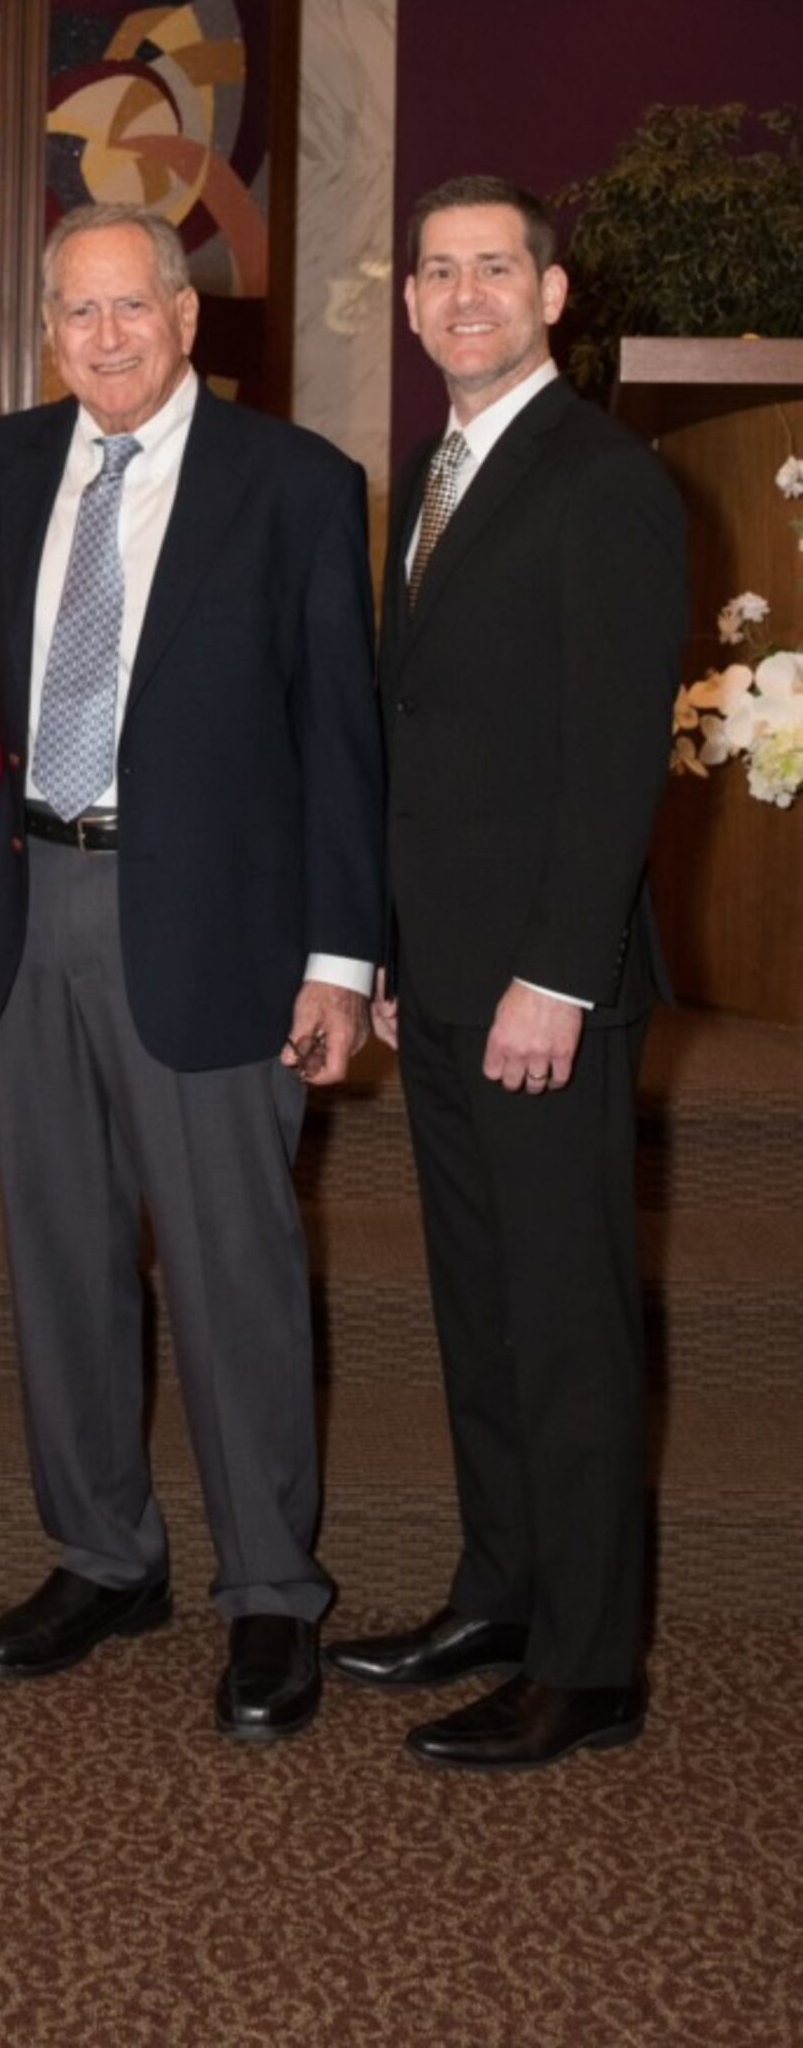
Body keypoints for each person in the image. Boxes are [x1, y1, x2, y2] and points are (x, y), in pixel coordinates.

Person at [0, 203, 385, 1742]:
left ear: (189, 323)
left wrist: (339, 955)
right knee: (57, 1261)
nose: (106, 338)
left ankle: (270, 1593)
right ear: (44, 331)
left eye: (133, 309)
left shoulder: (298, 487)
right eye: (77, 314)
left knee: (233, 1270)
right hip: (22, 909)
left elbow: (340, 736)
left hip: (215, 933)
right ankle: (102, 1555)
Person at [323, 177, 688, 1771]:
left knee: (568, 1325)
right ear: (407, 305)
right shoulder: (434, 472)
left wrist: (559, 972)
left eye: (496, 269)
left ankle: (594, 1662)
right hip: (451, 973)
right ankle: (504, 1590)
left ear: (554, 294)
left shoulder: (604, 479)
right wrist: (399, 950)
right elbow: (431, 744)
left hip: (547, 986)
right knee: (481, 1312)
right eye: (438, 272)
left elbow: (614, 764)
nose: (463, 294)